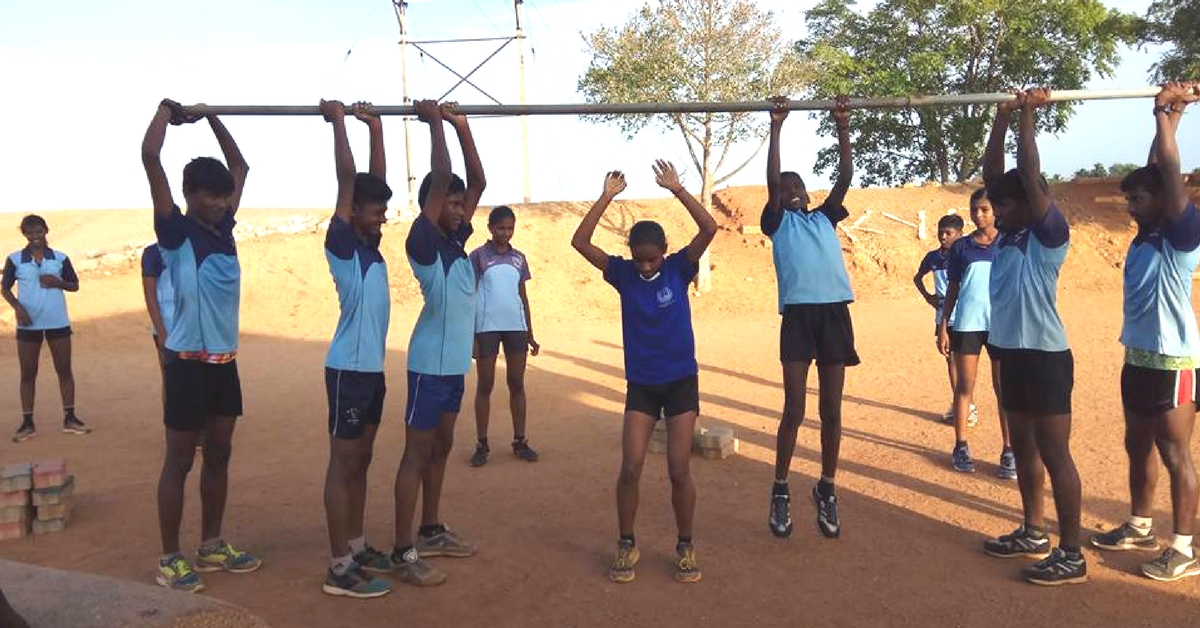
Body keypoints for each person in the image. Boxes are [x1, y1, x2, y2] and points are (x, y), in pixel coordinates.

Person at [571, 161, 717, 584]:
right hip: (643, 385)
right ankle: (626, 543)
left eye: (652, 260)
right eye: (640, 260)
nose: (647, 267)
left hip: (679, 382)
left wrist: (677, 189)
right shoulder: (622, 273)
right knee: (630, 467)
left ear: (664, 253)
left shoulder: (679, 268)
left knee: (677, 469)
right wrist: (606, 196)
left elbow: (709, 229)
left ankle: (686, 546)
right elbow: (580, 241)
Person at [142, 98, 261, 592]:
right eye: (210, 196)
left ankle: (211, 545)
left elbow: (242, 166)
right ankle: (170, 557)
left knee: (219, 454)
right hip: (187, 365)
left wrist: (212, 115)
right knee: (179, 461)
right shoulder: (175, 233)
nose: (220, 202)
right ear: (190, 195)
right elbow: (150, 157)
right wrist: (167, 114)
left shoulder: (225, 229)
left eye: (224, 196)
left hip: (224, 363)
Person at [1090, 81, 1200, 583]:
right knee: (1138, 445)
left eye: (1138, 198)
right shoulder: (1145, 234)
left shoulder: (1181, 234)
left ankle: (1182, 547)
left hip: (1175, 362)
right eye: (1128, 198)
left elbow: (1170, 173)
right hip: (1137, 357)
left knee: (1176, 454)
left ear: (1164, 200)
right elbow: (1159, 169)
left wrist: (1162, 113)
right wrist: (1171, 115)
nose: (1131, 206)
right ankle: (1139, 523)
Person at [978, 88, 1085, 586]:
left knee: (1054, 451)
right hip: (1012, 356)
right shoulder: (1009, 234)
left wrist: (1025, 116)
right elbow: (994, 170)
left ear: (1031, 201)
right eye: (993, 205)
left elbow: (1026, 169)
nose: (995, 212)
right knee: (1022, 447)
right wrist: (998, 119)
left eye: (1004, 204)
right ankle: (1033, 530)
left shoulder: (1048, 234)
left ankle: (1071, 553)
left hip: (1045, 356)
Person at [390, 100, 485, 586]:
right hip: (428, 364)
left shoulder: (456, 243)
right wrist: (435, 125)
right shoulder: (424, 243)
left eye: (459, 203)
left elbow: (477, 181)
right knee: (416, 452)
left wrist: (462, 126)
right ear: (432, 207)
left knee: (443, 445)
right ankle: (402, 549)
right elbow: (444, 172)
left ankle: (430, 528)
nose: (459, 206)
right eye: (450, 201)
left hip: (453, 369)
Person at [764, 97, 856, 540]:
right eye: (786, 188)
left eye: (798, 184)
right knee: (795, 408)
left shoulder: (824, 218)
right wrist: (776, 126)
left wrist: (842, 125)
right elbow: (771, 179)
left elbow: (845, 177)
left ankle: (827, 487)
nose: (793, 189)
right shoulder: (777, 223)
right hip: (799, 317)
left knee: (832, 410)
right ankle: (781, 487)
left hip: (835, 314)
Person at [318, 99, 395, 598]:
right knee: (343, 463)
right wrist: (340, 122)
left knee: (362, 460)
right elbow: (349, 179)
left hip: (372, 372)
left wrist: (377, 127)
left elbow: (373, 181)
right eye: (376, 210)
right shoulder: (343, 242)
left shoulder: (371, 246)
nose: (383, 215)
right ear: (352, 213)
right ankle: (338, 566)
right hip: (347, 369)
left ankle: (358, 543)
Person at [937, 189, 1014, 478]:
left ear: (995, 211)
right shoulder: (961, 248)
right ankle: (961, 445)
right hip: (967, 323)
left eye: (984, 209)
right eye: (974, 210)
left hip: (1001, 324)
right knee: (964, 388)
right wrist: (944, 325)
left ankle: (1009, 449)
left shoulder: (1008, 243)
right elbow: (953, 287)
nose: (978, 215)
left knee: (1003, 389)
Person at [3, 214, 89, 442]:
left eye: (38, 231)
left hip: (57, 322)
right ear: (24, 234)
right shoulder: (14, 259)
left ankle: (69, 418)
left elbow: (75, 285)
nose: (35, 237)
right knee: (28, 373)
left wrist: (58, 282)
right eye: (30, 233)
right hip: (28, 325)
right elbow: (5, 288)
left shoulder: (60, 258)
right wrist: (17, 307)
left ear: (45, 231)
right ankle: (27, 422)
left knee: (64, 369)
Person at [469, 205, 541, 467]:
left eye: (510, 228)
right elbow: (470, 295)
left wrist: (530, 332)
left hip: (516, 328)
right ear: (490, 228)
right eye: (500, 228)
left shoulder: (519, 258)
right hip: (486, 327)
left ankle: (520, 441)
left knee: (517, 383)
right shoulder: (477, 256)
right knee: (485, 385)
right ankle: (482, 443)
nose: (505, 233)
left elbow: (523, 296)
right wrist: (472, 334)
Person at [913, 214, 967, 423]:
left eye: (948, 233)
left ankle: (966, 406)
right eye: (940, 232)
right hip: (943, 313)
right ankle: (958, 404)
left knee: (965, 361)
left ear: (960, 234)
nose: (943, 237)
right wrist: (928, 297)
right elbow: (917, 278)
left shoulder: (964, 255)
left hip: (964, 312)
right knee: (951, 360)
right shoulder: (933, 257)